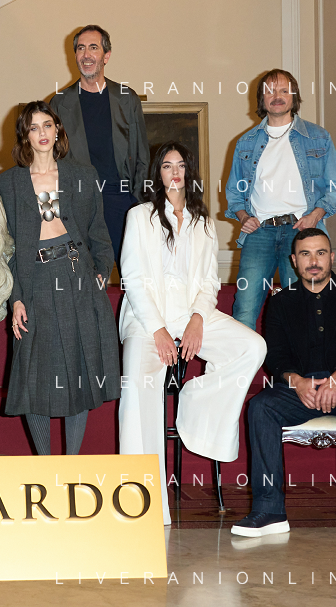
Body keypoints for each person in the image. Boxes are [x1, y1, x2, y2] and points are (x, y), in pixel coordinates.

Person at [118, 141, 266, 523]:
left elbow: (210, 281)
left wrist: (199, 319)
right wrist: (158, 330)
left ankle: (194, 405)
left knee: (251, 347)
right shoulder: (139, 216)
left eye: (181, 165)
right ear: (158, 173)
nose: (175, 172)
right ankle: (144, 505)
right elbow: (132, 278)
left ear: (189, 172)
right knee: (137, 391)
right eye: (167, 166)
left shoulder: (203, 222)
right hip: (146, 319)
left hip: (192, 315)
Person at [233, 228, 336, 537]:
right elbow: (275, 353)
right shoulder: (281, 301)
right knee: (261, 407)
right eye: (305, 254)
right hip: (301, 387)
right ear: (294, 260)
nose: (313, 261)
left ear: (332, 257)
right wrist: (296, 381)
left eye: (320, 253)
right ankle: (269, 509)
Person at [0, 101, 121, 455]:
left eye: (47, 125)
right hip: (34, 280)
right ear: (25, 135)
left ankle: (70, 464)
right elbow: (4, 249)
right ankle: (46, 464)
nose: (42, 133)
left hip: (77, 276)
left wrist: (100, 273)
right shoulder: (8, 183)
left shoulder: (83, 175)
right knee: (33, 375)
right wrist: (16, 298)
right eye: (33, 127)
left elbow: (99, 234)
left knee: (77, 371)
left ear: (57, 130)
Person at [225, 69, 336, 330]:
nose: (277, 96)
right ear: (261, 99)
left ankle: (302, 360)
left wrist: (315, 215)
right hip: (259, 233)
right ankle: (243, 359)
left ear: (294, 96)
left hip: (301, 232)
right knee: (244, 308)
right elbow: (234, 192)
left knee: (303, 309)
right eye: (270, 91)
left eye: (284, 90)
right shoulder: (245, 142)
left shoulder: (318, 137)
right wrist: (243, 217)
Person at [49, 25, 150, 265]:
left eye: (93, 48)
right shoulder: (59, 103)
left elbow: (142, 156)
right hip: (78, 201)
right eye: (81, 48)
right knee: (83, 275)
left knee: (132, 273)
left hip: (121, 199)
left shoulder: (127, 98)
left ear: (106, 56)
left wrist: (137, 202)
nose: (86, 55)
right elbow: (50, 160)